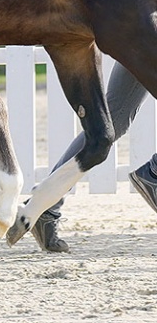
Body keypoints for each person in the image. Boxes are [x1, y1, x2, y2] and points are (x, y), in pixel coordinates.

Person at [32, 62, 157, 252]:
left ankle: (46, 203)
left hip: (135, 35)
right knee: (112, 120)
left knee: (113, 121)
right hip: (142, 35)